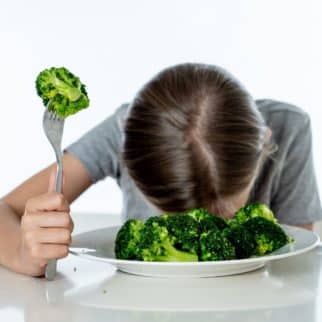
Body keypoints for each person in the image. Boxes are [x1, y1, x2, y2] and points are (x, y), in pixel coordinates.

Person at [0, 63, 321, 277]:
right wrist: (22, 252)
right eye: (179, 214)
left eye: (221, 212)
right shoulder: (121, 133)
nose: (201, 228)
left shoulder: (289, 128)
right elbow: (5, 211)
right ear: (127, 158)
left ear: (264, 144)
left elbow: (297, 260)